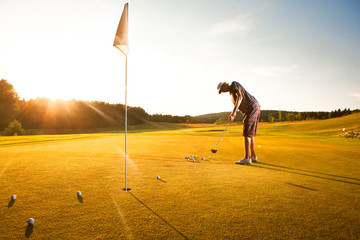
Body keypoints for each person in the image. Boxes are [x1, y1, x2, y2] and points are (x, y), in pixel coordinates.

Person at [217, 81, 260, 165]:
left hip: (252, 107)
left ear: (225, 84)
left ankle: (247, 158)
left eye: (222, 89)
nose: (222, 91)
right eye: (221, 91)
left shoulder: (234, 84)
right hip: (254, 107)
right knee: (250, 133)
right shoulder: (231, 95)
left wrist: (234, 112)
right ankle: (253, 156)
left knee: (246, 132)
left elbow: (240, 96)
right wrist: (233, 115)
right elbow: (238, 104)